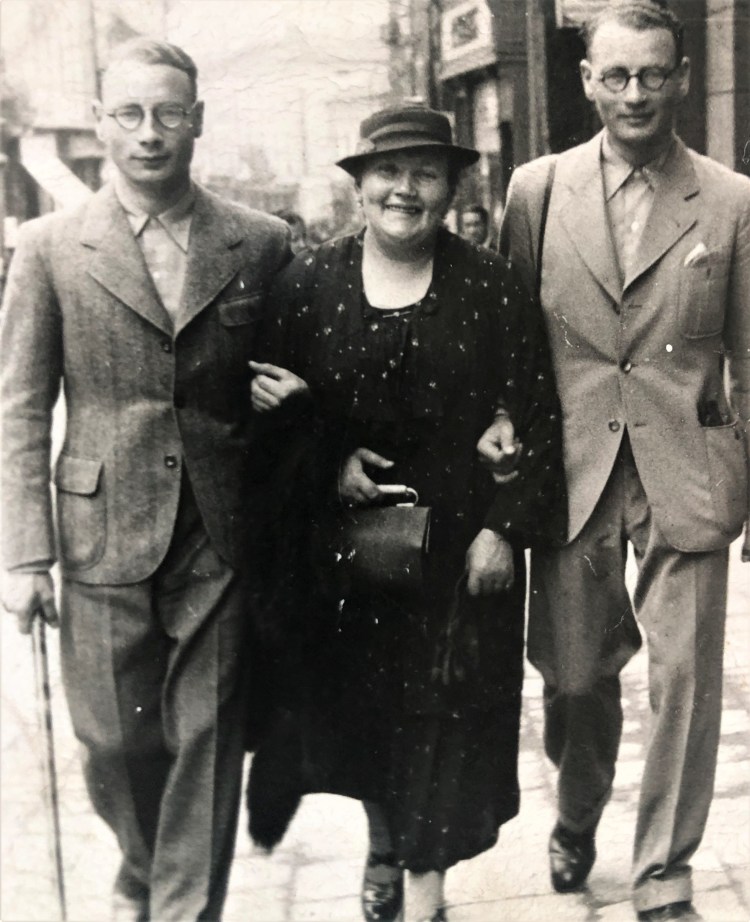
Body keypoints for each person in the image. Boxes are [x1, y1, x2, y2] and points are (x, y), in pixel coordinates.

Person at [0, 38, 296, 922]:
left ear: (196, 121)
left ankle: (179, 908)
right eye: (129, 114)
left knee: (209, 735)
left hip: (220, 529)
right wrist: (25, 557)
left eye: (169, 113)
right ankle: (145, 864)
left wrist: (294, 402)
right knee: (114, 741)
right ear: (99, 123)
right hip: (101, 529)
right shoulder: (49, 248)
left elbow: (294, 375)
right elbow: (20, 409)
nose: (150, 133)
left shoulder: (260, 242)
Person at [246, 103, 565, 922]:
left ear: (452, 188)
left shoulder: (492, 285)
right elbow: (268, 420)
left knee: (443, 723)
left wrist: (503, 529)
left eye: (426, 173)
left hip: (460, 550)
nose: (405, 190)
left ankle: (425, 895)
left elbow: (534, 410)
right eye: (388, 171)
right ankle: (385, 844)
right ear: (359, 185)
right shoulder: (307, 286)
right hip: (351, 551)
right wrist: (329, 460)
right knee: (368, 718)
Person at [482, 2, 750, 919]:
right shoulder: (536, 190)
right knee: (575, 681)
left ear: (682, 79)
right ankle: (577, 813)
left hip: (691, 471)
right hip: (573, 473)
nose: (636, 94)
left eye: (654, 74)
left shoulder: (731, 200)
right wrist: (502, 431)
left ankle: (664, 875)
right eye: (618, 76)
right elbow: (510, 341)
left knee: (685, 684)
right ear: (588, 82)